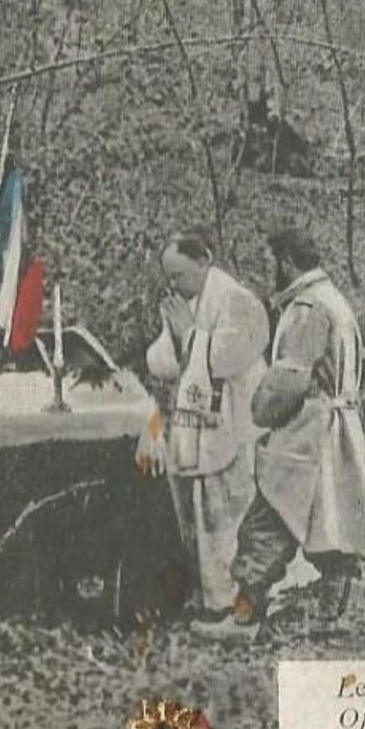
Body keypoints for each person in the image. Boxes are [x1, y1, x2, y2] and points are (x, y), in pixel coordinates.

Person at [192, 229, 365, 641]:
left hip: (310, 433)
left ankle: (243, 619)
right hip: (337, 427)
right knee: (326, 521)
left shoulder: (308, 307)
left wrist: (260, 412)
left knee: (266, 525)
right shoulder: (334, 299)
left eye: (271, 262)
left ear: (285, 262)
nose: (269, 271)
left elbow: (288, 380)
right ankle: (330, 612)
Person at [144, 229, 269, 617]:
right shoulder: (187, 302)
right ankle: (211, 593)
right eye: (169, 278)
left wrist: (191, 338)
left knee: (231, 512)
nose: (174, 285)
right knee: (204, 512)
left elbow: (231, 357)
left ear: (204, 261)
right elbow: (163, 359)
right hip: (198, 423)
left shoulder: (237, 300)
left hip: (235, 421)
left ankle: (238, 598)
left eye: (179, 275)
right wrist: (181, 340)